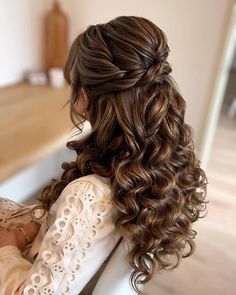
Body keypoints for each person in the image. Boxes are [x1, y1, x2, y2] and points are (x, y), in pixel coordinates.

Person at [0, 16, 208, 295]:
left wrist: (7, 247)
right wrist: (29, 228)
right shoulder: (154, 166)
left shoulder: (88, 195)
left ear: (84, 99)